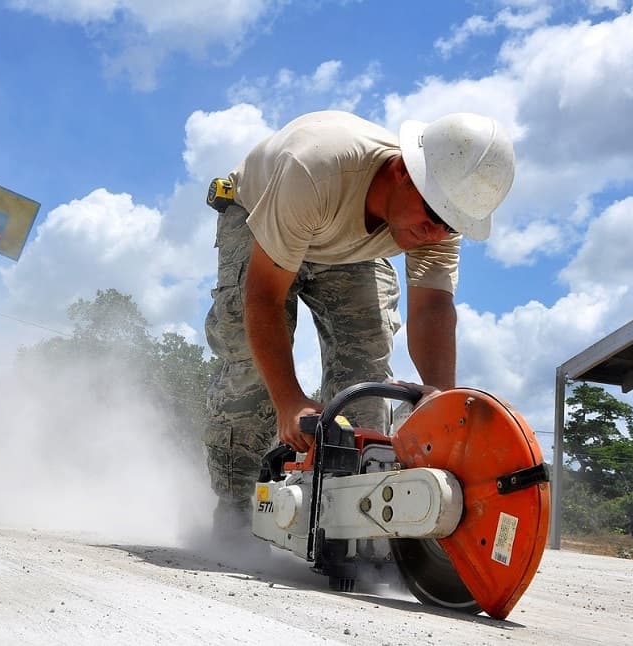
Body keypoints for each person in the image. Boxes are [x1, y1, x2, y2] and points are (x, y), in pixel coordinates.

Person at [203, 110, 515, 540]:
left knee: (366, 372)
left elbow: (432, 309)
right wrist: (290, 400)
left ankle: (346, 521)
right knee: (254, 368)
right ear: (405, 171)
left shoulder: (439, 216)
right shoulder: (314, 169)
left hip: (346, 245)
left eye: (450, 225)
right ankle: (235, 512)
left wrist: (439, 401)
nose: (436, 233)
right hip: (262, 213)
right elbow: (264, 297)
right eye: (432, 216)